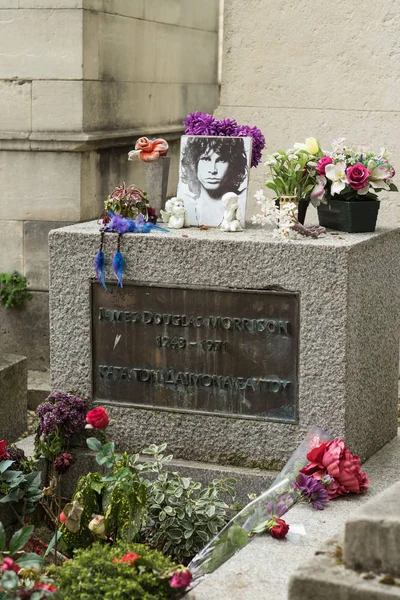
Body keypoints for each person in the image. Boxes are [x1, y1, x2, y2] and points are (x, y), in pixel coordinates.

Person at [178, 136, 249, 227]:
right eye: (206, 159)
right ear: (194, 164)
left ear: (232, 164)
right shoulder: (184, 204)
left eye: (221, 160)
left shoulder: (241, 201)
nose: (213, 170)